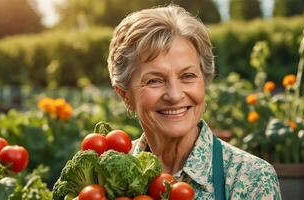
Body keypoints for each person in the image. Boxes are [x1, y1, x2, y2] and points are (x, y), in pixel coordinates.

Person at [107, 4, 281, 200]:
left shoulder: (251, 178)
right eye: (154, 80)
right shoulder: (106, 177)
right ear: (124, 95)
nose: (174, 95)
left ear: (204, 82)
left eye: (188, 76)